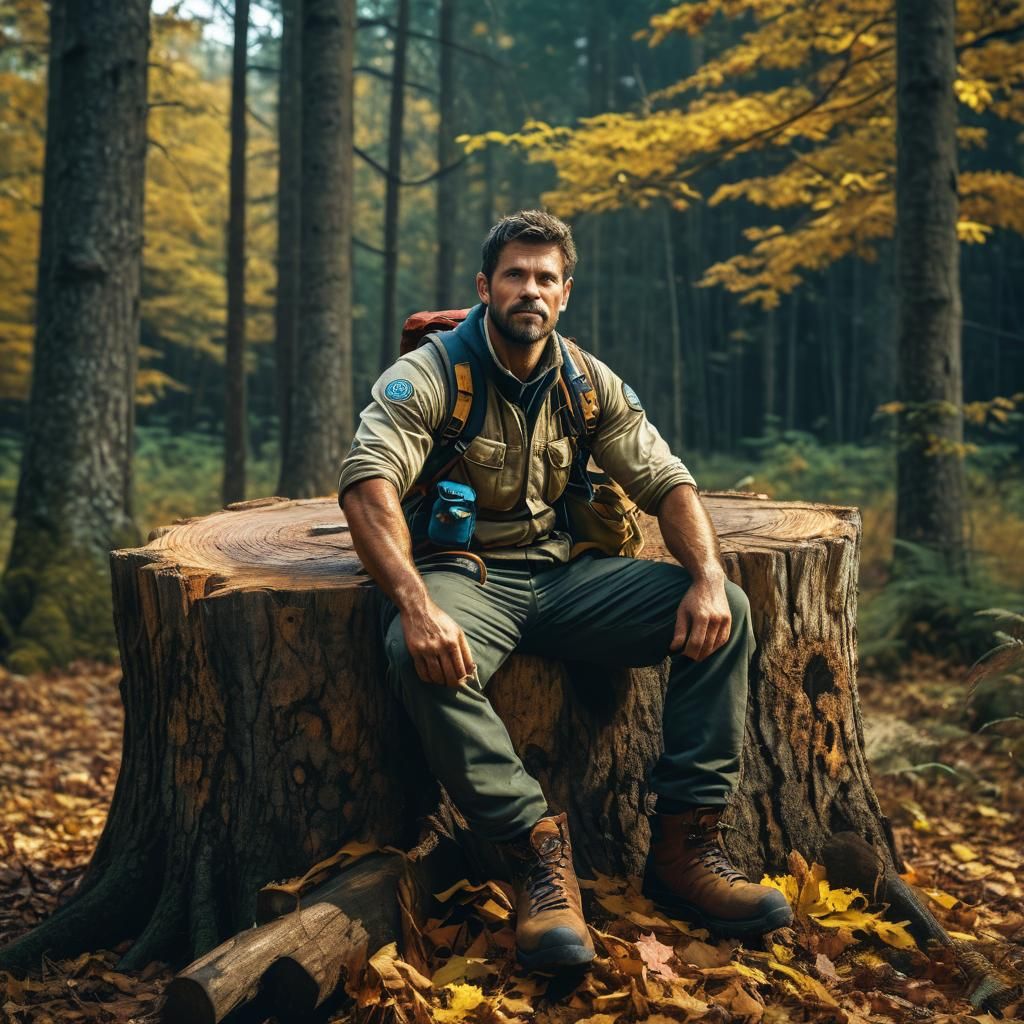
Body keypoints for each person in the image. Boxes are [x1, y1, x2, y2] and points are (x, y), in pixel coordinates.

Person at [339, 210, 792, 972]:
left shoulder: (584, 379)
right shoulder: (430, 373)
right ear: (486, 287)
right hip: (467, 577)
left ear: (565, 293)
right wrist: (418, 607)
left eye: (546, 278)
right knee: (414, 654)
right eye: (515, 274)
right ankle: (537, 857)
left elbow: (666, 480)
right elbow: (366, 483)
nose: (530, 290)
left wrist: (709, 581)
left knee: (731, 615)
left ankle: (686, 849)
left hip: (568, 577)